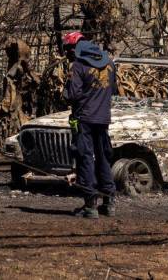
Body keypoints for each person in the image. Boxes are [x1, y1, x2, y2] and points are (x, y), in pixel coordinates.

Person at [62, 31, 117, 218]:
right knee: (103, 158)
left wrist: (65, 90)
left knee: (85, 157)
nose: (67, 53)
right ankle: (109, 202)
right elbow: (113, 89)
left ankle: (90, 205)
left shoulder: (78, 65)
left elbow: (72, 95)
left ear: (74, 47)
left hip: (83, 119)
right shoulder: (109, 63)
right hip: (103, 119)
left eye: (68, 49)